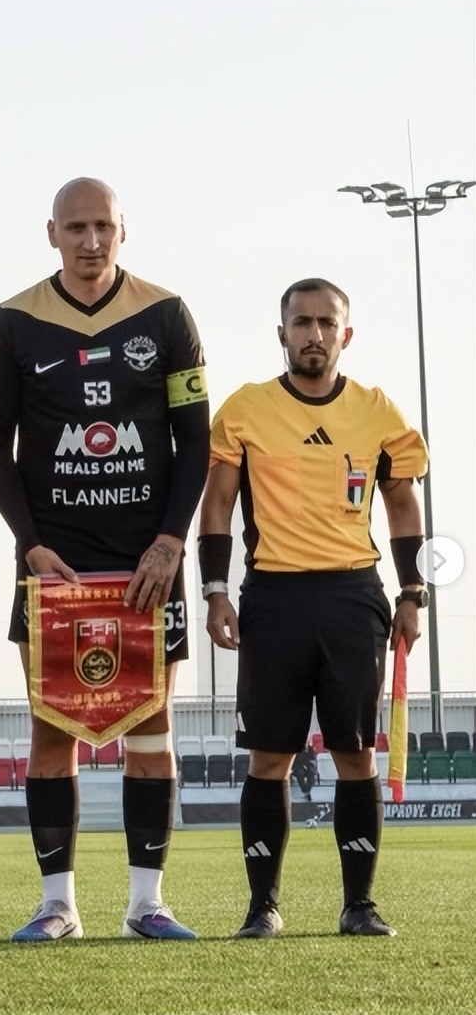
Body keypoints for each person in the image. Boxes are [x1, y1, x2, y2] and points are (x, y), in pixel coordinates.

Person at [0, 178, 210, 942]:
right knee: (53, 729)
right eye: (75, 227)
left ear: (122, 229)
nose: (90, 240)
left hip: (148, 562)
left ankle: (147, 904)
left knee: (152, 727)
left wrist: (171, 541)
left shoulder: (166, 315)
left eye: (102, 226)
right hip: (57, 565)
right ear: (51, 232)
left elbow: (194, 441)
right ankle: (58, 906)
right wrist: (30, 544)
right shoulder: (14, 322)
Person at [199, 277, 427, 939]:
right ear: (282, 333)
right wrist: (215, 589)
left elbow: (402, 504)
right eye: (302, 322)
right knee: (269, 758)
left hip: (353, 596)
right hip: (273, 597)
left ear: (346, 334)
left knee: (355, 754)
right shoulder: (246, 409)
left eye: (327, 323)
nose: (315, 334)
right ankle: (262, 907)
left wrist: (412, 592)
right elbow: (217, 503)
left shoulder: (377, 411)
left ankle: (359, 905)